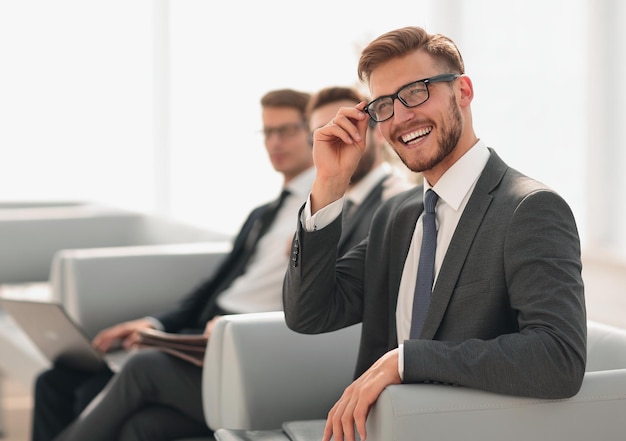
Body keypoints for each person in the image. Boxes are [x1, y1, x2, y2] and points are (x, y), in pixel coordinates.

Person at [283, 26, 586, 441]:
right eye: (385, 105)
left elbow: (558, 359)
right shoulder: (397, 216)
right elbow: (309, 313)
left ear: (462, 91)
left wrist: (408, 361)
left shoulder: (528, 209)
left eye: (416, 92)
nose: (401, 117)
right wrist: (330, 184)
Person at [32, 88, 316, 441]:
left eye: (286, 130)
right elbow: (213, 287)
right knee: (56, 380)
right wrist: (154, 324)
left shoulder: (323, 215)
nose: (275, 142)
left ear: (313, 131)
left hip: (241, 341)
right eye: (267, 132)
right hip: (197, 336)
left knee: (115, 396)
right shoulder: (264, 213)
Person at [305, 86, 414, 256]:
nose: (335, 141)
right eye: (323, 135)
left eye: (347, 127)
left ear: (378, 134)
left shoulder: (400, 204)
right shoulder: (317, 214)